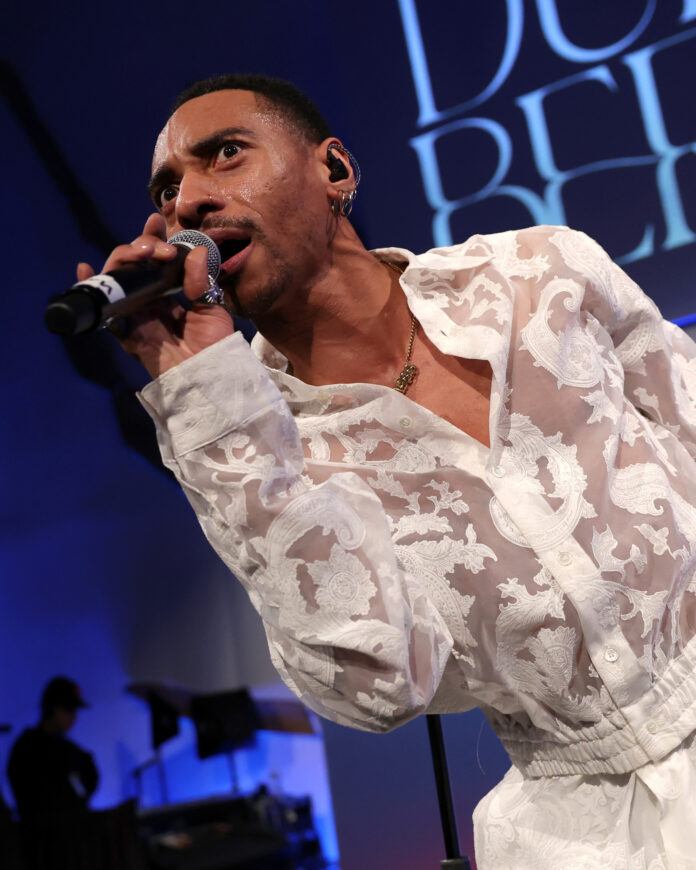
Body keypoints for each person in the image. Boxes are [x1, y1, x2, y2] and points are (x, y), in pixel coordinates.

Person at [76, 73, 696, 868]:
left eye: (225, 154)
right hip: (592, 840)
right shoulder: (264, 446)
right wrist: (200, 391)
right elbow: (378, 686)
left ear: (333, 170)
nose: (187, 201)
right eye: (167, 190)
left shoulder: (537, 275)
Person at [7, 676, 99, 819]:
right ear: (51, 709)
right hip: (42, 829)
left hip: (72, 827)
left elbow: (89, 778)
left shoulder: (69, 749)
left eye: (75, 710)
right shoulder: (27, 749)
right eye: (68, 709)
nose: (74, 717)